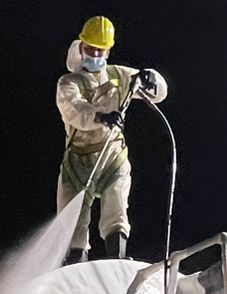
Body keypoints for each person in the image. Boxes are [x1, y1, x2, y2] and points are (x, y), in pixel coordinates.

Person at [56, 15, 168, 264]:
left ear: (108, 49)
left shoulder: (118, 75)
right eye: (90, 49)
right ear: (81, 47)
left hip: (112, 156)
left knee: (116, 204)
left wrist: (150, 78)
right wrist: (101, 116)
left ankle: (116, 258)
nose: (95, 54)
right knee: (74, 219)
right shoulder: (68, 82)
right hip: (79, 162)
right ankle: (76, 262)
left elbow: (158, 92)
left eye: (100, 49)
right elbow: (74, 110)